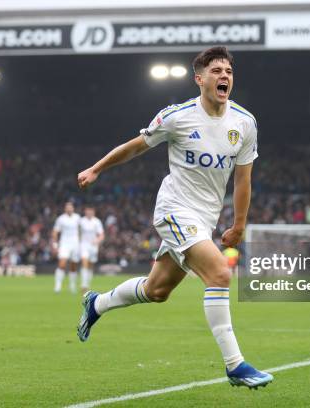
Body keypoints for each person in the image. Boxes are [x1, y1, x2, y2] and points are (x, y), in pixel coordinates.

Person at [75, 46, 272, 389]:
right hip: (174, 209)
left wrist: (239, 223)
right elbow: (136, 146)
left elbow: (243, 178)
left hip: (205, 218)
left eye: (228, 71)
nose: (224, 76)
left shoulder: (244, 122)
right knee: (220, 274)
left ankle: (98, 303)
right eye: (216, 71)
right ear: (199, 79)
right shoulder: (177, 116)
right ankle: (235, 364)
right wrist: (97, 168)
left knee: (157, 290)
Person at [52, 201, 82, 293]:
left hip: (75, 244)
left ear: (73, 208)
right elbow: (55, 232)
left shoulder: (78, 218)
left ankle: (72, 285)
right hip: (64, 244)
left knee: (73, 266)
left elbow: (80, 230)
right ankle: (58, 285)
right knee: (62, 264)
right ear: (65, 209)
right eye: (67, 207)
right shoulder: (61, 219)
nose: (69, 209)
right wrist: (55, 244)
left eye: (70, 207)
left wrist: (80, 242)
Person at [79, 206, 104, 293]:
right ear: (85, 211)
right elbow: (77, 233)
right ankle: (84, 285)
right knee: (84, 263)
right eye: (88, 211)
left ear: (93, 212)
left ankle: (87, 283)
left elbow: (101, 234)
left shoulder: (97, 221)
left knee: (90, 265)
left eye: (91, 211)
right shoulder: (81, 221)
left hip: (93, 246)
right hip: (84, 245)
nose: (89, 212)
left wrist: (97, 240)